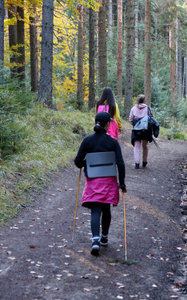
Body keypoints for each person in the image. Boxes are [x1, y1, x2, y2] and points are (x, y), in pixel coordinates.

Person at [74, 112, 127, 256]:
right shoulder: (113, 142)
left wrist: (86, 162)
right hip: (108, 181)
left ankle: (95, 241)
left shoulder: (87, 141)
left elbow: (77, 161)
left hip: (93, 181)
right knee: (106, 209)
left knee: (95, 210)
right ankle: (104, 237)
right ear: (107, 124)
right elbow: (120, 163)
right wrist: (122, 183)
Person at [129, 94, 158, 169]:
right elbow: (150, 118)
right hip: (146, 130)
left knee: (137, 147)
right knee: (145, 146)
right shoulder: (148, 108)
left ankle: (137, 163)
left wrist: (136, 124)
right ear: (144, 100)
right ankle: (144, 162)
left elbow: (130, 120)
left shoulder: (133, 108)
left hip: (136, 130)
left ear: (137, 100)